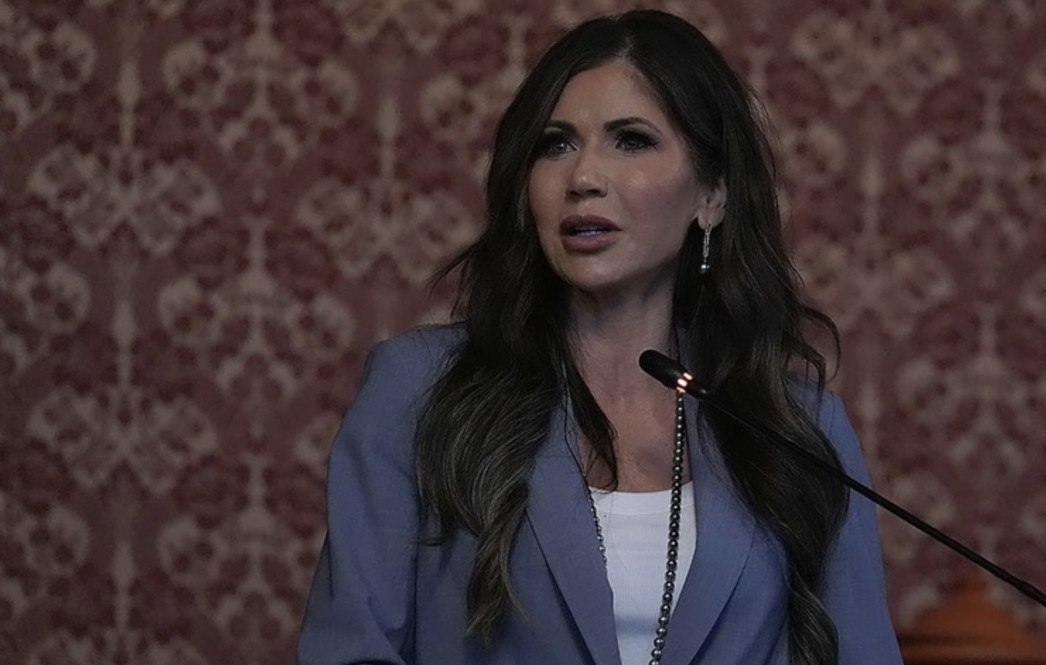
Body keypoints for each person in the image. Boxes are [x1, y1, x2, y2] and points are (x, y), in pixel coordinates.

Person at [297, 9, 902, 665]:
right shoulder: (417, 390)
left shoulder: (799, 429)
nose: (583, 176)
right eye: (555, 145)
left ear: (711, 196)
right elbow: (350, 649)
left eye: (631, 141)